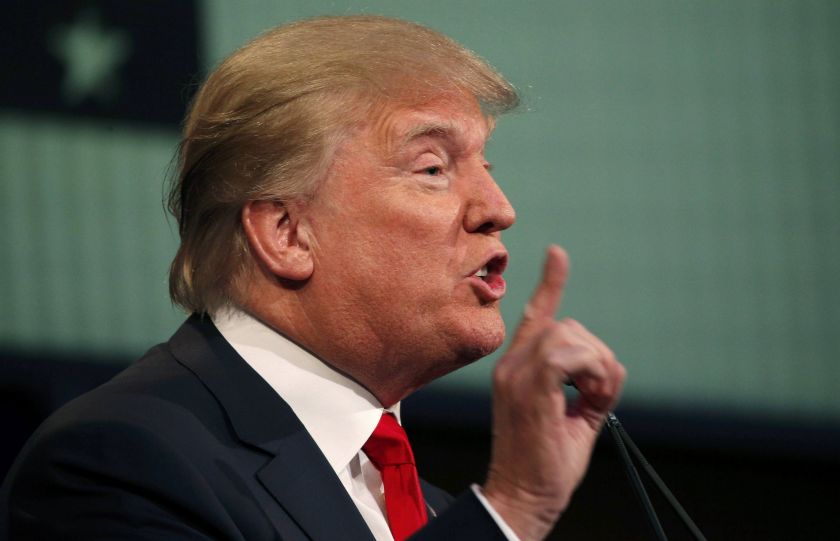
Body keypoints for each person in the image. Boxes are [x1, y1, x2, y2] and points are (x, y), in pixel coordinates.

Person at [1, 15, 625, 541]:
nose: (499, 208)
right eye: (433, 168)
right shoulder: (122, 460)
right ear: (287, 233)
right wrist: (511, 509)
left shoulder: (432, 512)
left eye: (485, 166)